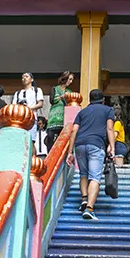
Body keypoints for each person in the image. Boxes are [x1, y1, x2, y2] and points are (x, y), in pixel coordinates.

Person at [66, 89, 115, 220]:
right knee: (95, 177)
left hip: (80, 145)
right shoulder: (108, 110)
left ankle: (84, 199)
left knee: (83, 173)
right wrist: (112, 146)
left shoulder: (82, 112)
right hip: (96, 145)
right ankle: (89, 208)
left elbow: (74, 131)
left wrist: (70, 152)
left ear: (90, 99)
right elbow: (110, 129)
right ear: (103, 99)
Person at [12, 73, 44, 142]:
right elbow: (14, 106)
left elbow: (40, 104)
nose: (24, 78)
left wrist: (28, 108)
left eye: (26, 76)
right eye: (22, 77)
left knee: (31, 141)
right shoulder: (18, 93)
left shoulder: (37, 90)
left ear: (31, 79)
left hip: (31, 119)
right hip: (19, 120)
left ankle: (32, 153)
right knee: (20, 141)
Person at [48, 71, 73, 148]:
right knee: (50, 137)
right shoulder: (54, 89)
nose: (70, 81)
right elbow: (51, 101)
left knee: (62, 138)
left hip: (64, 116)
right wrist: (60, 97)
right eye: (70, 79)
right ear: (65, 78)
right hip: (54, 116)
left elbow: (69, 104)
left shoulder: (69, 91)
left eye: (71, 80)